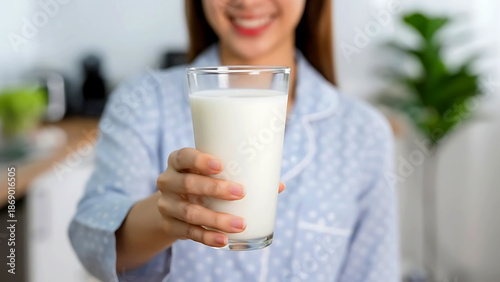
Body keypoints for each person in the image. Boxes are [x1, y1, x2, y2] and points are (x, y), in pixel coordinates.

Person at [69, 0, 399, 281]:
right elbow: (89, 241)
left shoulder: (363, 132)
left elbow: (374, 272)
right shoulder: (143, 100)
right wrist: (164, 216)